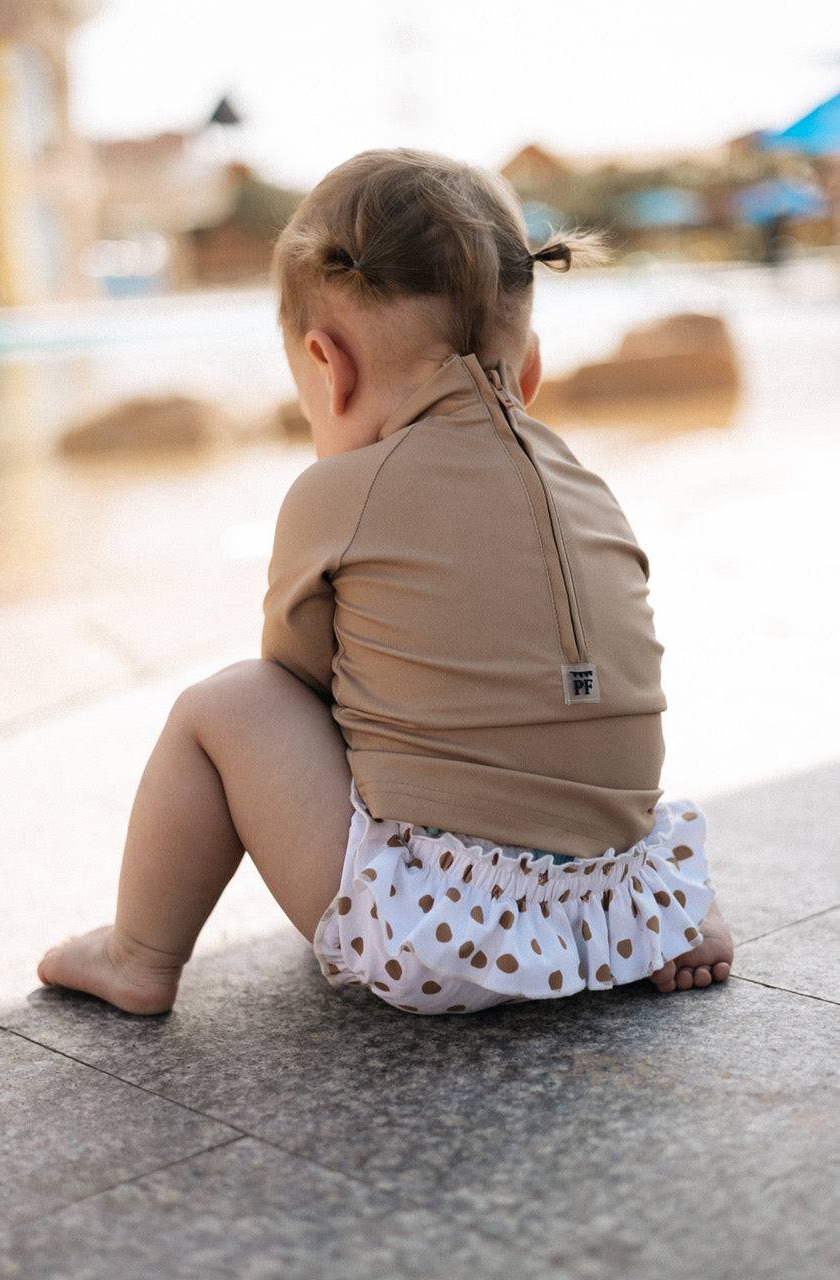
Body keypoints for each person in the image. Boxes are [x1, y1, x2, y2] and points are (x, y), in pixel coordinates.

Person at [37, 148, 733, 1016]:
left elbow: (297, 683)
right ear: (530, 371)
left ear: (328, 367)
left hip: (432, 934)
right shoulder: (585, 482)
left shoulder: (338, 493)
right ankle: (657, 906)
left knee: (228, 704)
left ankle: (137, 953)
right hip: (613, 907)